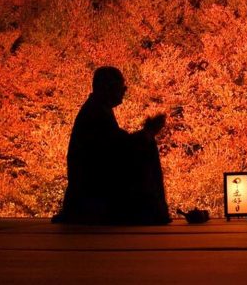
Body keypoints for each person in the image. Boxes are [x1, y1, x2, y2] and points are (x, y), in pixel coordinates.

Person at [53, 66, 170, 225]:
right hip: (93, 190)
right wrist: (146, 134)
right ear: (107, 88)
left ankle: (153, 211)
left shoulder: (97, 109)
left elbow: (116, 145)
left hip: (92, 185)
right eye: (121, 86)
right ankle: (152, 211)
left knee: (145, 144)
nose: (124, 90)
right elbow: (117, 149)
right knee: (146, 148)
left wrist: (145, 135)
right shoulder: (95, 114)